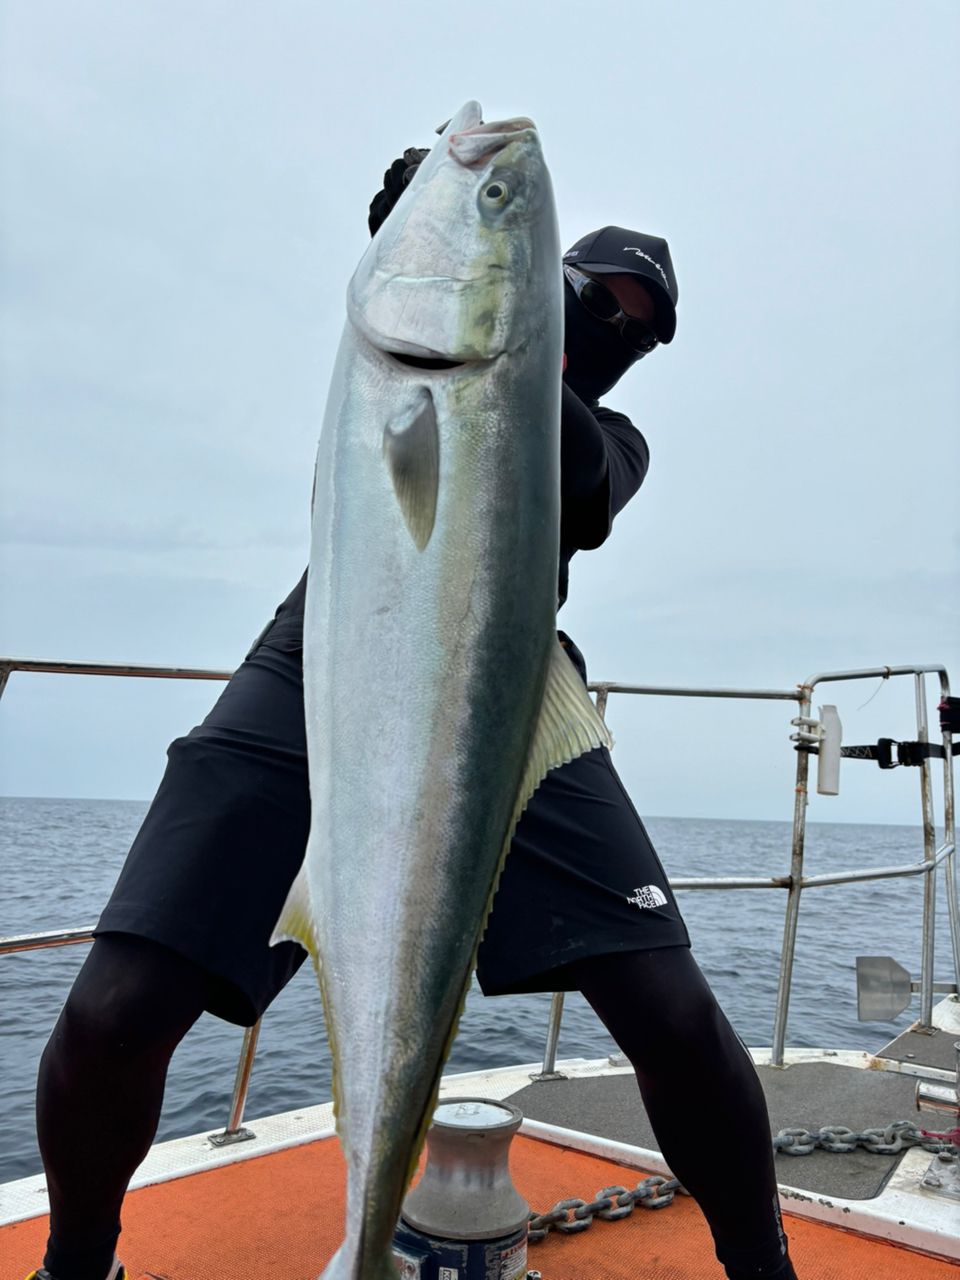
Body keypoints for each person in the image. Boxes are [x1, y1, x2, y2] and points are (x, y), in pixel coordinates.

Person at [27, 151, 798, 1280]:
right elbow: (408, 347)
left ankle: (764, 1269)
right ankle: (77, 1264)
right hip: (321, 657)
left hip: (513, 687)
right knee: (114, 1008)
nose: (614, 331)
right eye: (595, 299)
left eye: (640, 331)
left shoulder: (611, 445)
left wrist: (516, 346)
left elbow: (581, 471)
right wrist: (426, 254)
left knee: (675, 1012)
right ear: (549, 282)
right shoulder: (397, 348)